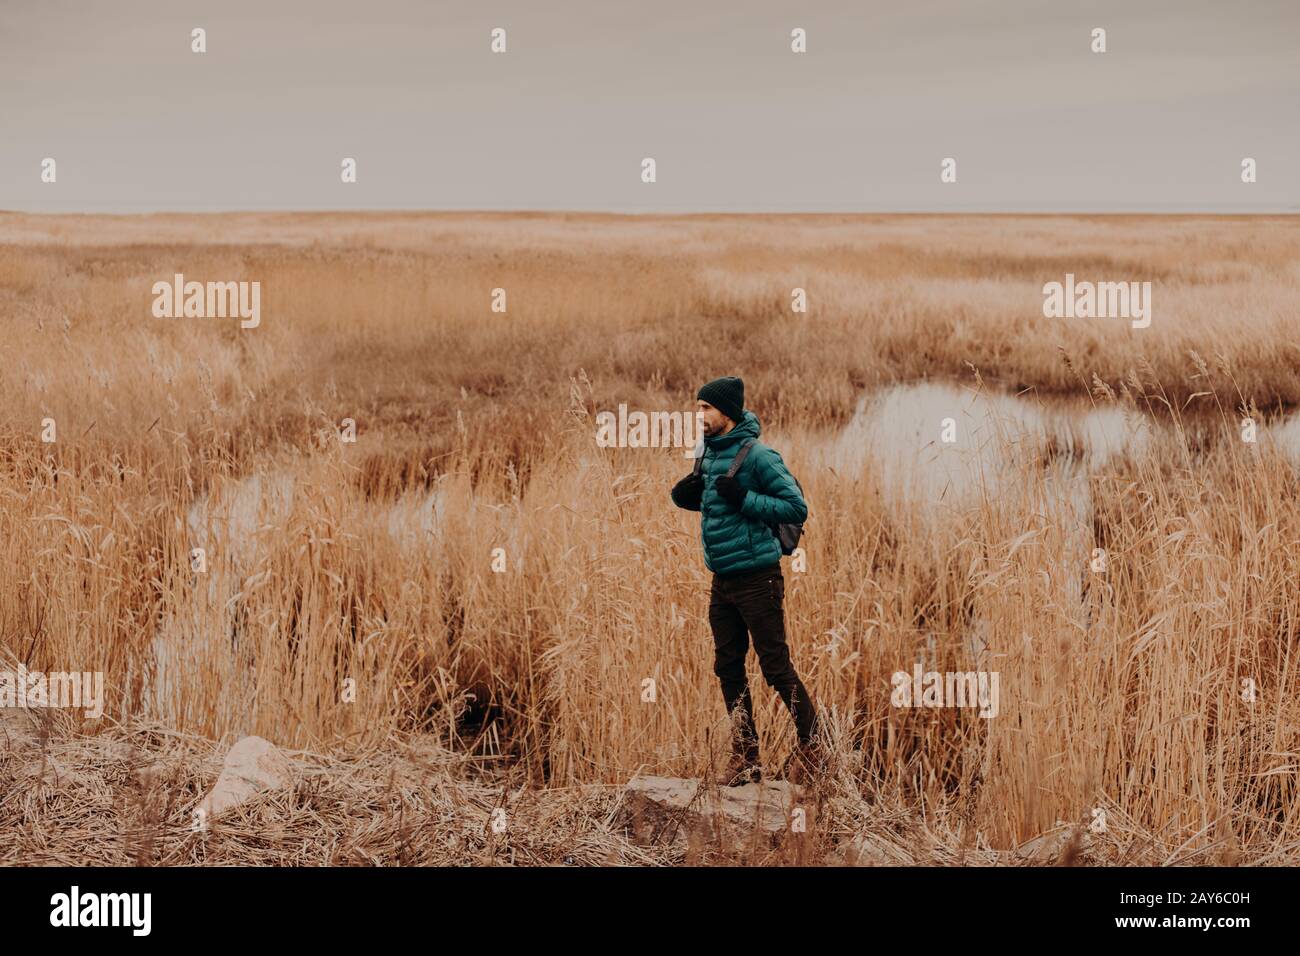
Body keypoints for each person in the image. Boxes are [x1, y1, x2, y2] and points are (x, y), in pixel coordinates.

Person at [670, 376, 823, 786]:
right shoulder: (708, 453)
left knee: (775, 667)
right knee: (727, 667)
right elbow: (713, 504)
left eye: (705, 408)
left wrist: (744, 498)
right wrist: (687, 494)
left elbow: (796, 506)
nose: (698, 414)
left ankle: (815, 745)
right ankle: (747, 756)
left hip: (758, 578)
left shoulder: (758, 456)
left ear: (728, 413)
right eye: (697, 406)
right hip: (722, 578)